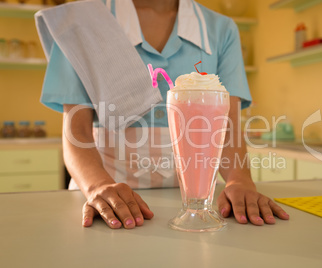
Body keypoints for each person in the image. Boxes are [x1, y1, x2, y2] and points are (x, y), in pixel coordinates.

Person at [39, 0, 289, 229]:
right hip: (105, 204)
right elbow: (77, 131)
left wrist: (239, 180)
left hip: (194, 207)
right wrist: (98, 186)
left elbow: (227, 129)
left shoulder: (221, 30)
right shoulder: (80, 24)